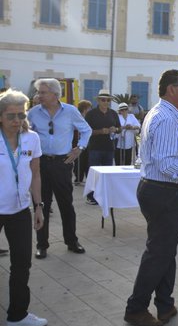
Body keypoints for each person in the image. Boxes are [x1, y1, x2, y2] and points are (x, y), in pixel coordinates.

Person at [124, 70, 178, 326]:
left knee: (165, 250)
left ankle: (165, 304)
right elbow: (166, 163)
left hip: (161, 191)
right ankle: (136, 308)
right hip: (164, 192)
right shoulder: (166, 119)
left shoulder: (162, 113)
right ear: (172, 89)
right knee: (159, 252)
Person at [27, 78, 92, 258]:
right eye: (38, 92)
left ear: (55, 94)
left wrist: (80, 148)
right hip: (40, 163)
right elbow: (24, 133)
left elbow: (86, 130)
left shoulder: (70, 111)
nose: (38, 95)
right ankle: (42, 245)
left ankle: (71, 241)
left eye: (42, 92)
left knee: (66, 204)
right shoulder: (33, 113)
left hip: (62, 163)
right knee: (41, 204)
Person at [0, 89, 47, 326]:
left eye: (21, 115)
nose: (17, 120)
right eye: (11, 116)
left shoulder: (32, 138)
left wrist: (38, 206)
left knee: (21, 263)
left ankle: (17, 316)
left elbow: (35, 174)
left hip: (19, 209)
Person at [85, 89, 120, 205]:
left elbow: (119, 128)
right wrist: (100, 131)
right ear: (98, 101)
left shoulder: (113, 113)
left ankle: (104, 195)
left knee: (107, 174)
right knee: (94, 173)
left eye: (108, 100)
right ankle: (91, 196)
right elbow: (86, 131)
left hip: (109, 147)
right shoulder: (91, 114)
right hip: (95, 147)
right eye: (103, 100)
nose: (106, 102)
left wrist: (115, 129)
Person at [73, 100, 92, 185]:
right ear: (85, 109)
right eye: (89, 108)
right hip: (78, 142)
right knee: (79, 161)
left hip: (87, 143)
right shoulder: (78, 117)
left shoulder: (88, 117)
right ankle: (78, 178)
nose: (90, 110)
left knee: (87, 160)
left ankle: (86, 178)